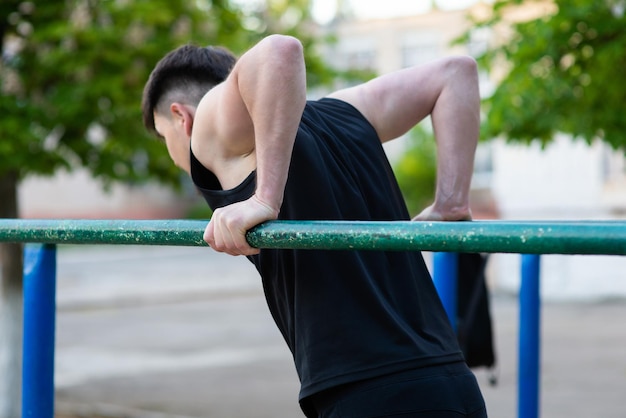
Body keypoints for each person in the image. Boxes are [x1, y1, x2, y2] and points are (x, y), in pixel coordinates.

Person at [142, 34, 486, 417]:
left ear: (179, 117)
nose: (173, 155)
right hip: (450, 379)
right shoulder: (346, 112)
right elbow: (456, 74)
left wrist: (264, 198)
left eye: (163, 137)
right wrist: (451, 204)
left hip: (365, 391)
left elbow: (280, 51)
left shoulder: (207, 123)